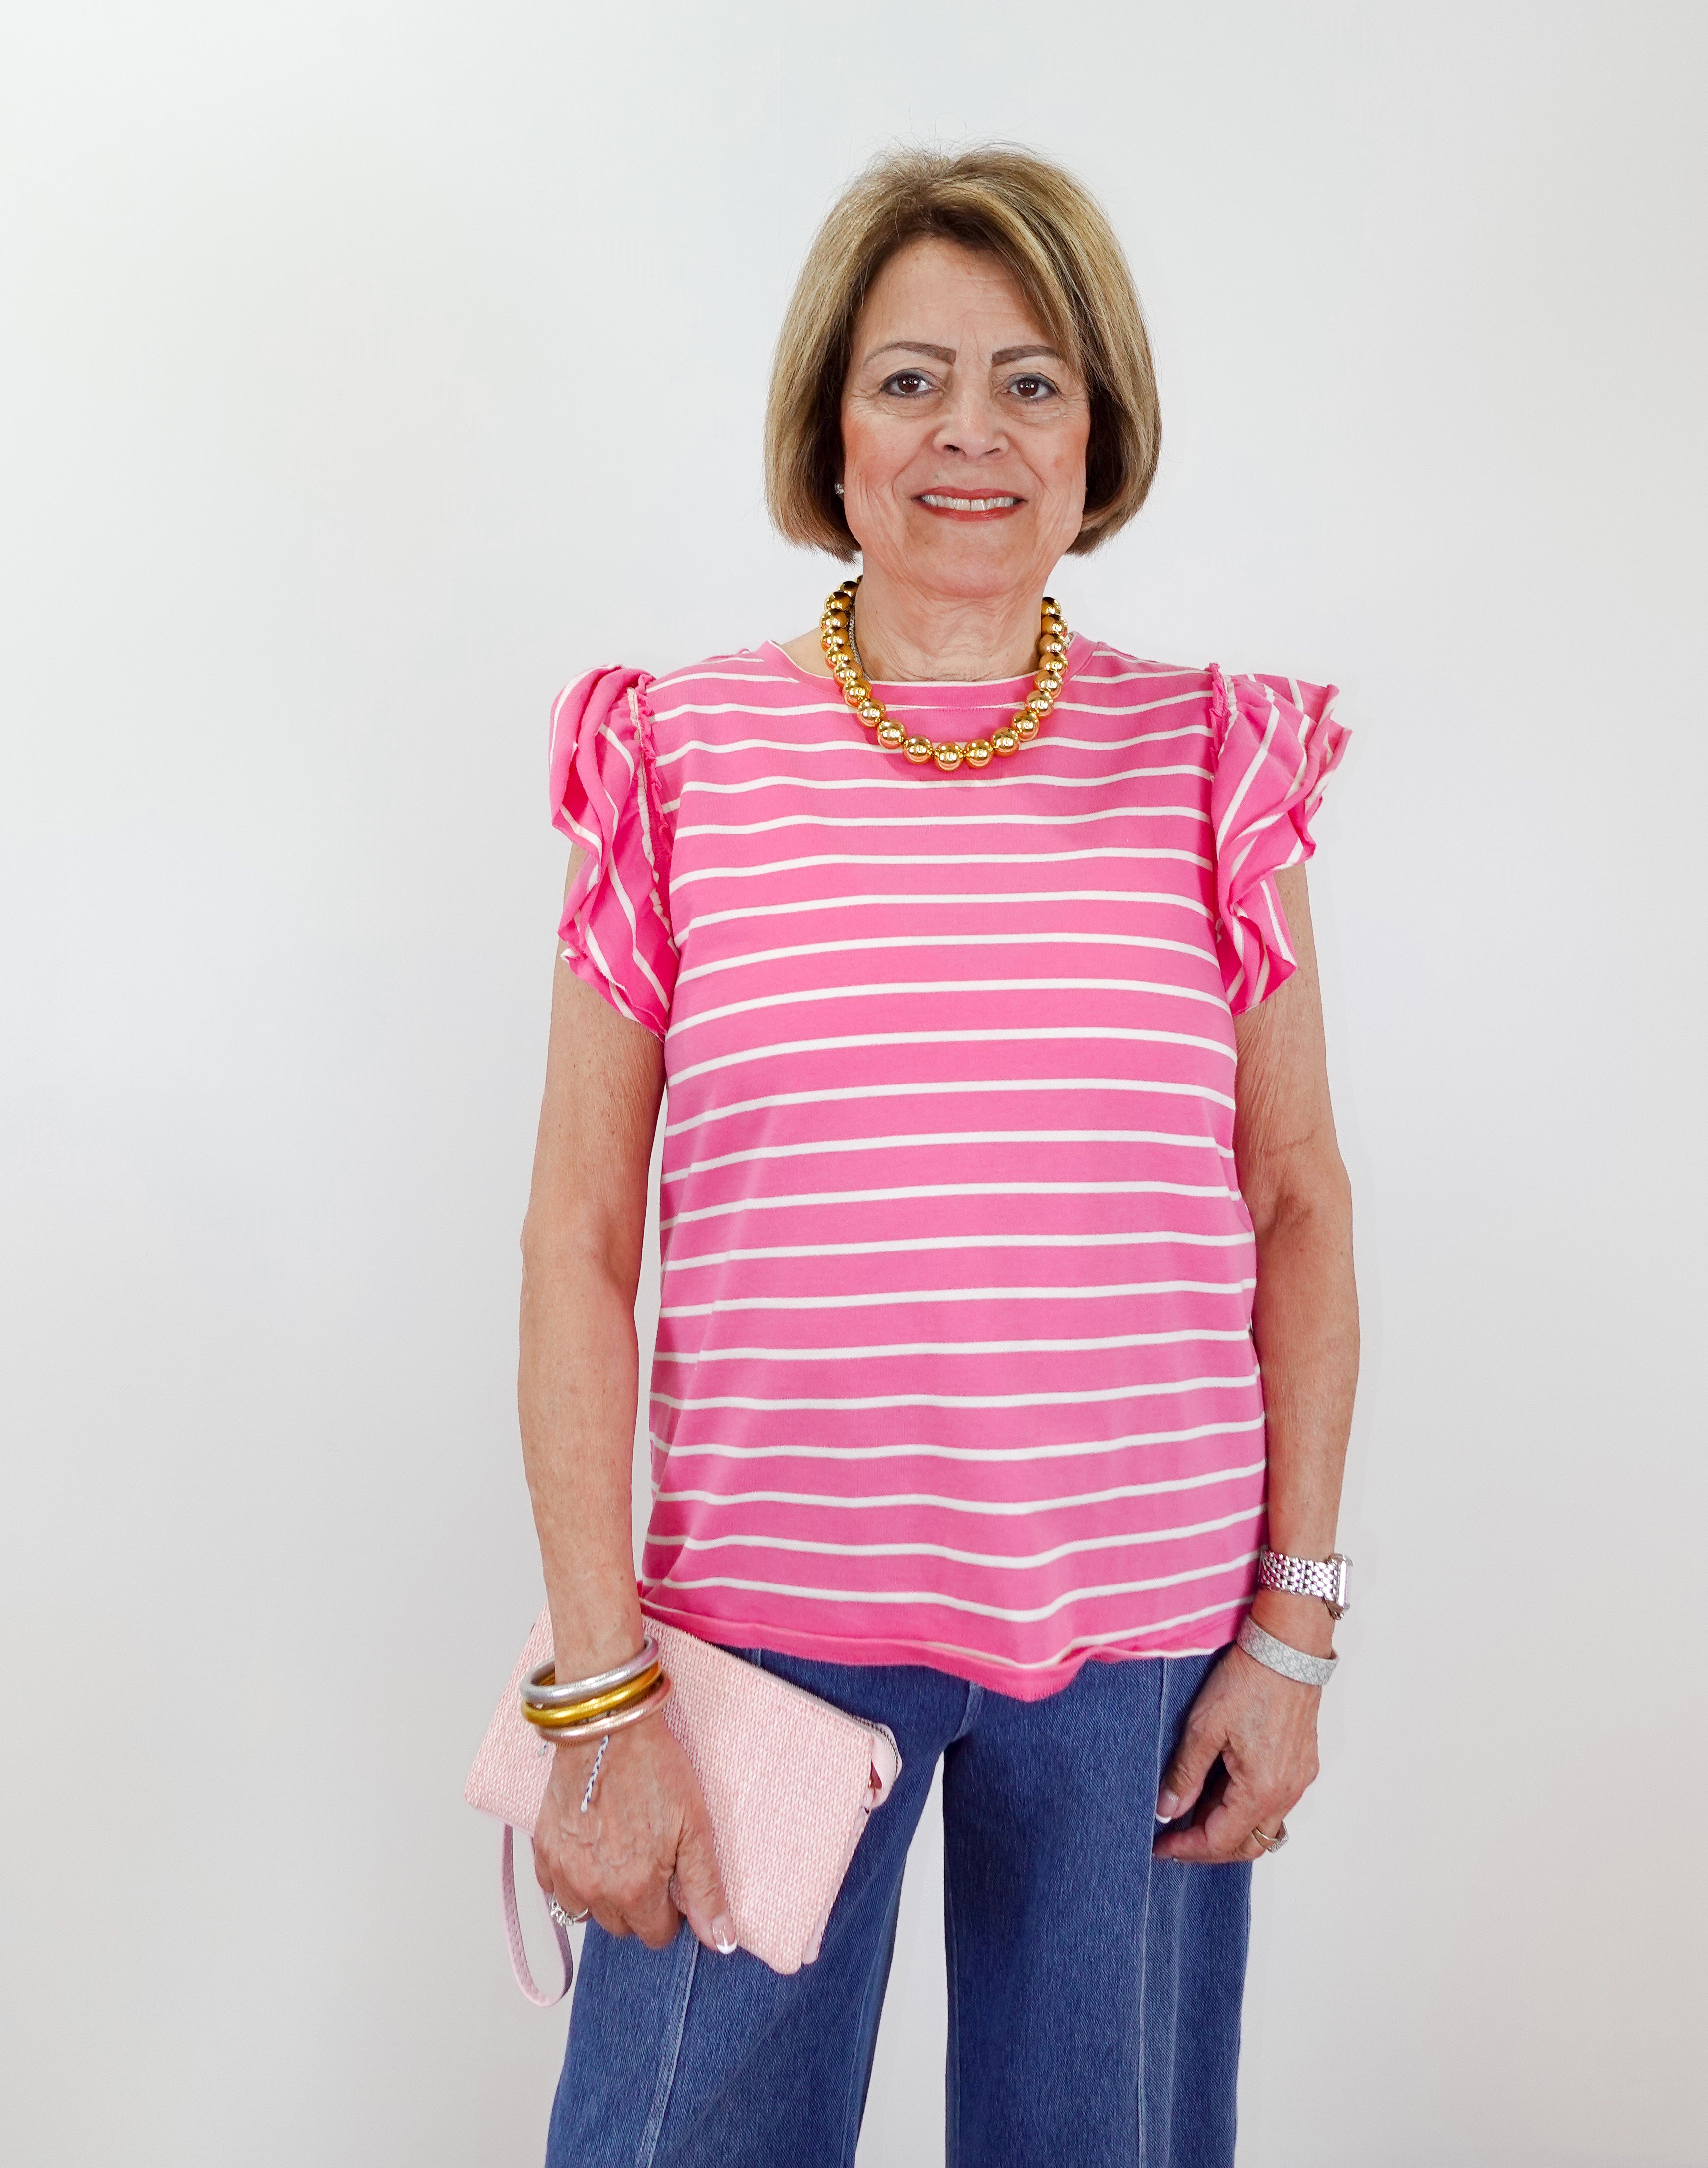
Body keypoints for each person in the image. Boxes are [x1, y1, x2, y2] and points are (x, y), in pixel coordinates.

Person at [517, 146, 1359, 2168]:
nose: (971, 430)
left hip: (1144, 1654)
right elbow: (577, 1235)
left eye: (1032, 379)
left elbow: (1300, 1201)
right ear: (829, 422)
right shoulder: (679, 755)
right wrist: (596, 1692)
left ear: (1101, 428)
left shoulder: (1210, 760)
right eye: (910, 379)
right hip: (759, 1639)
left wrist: (1291, 1624)